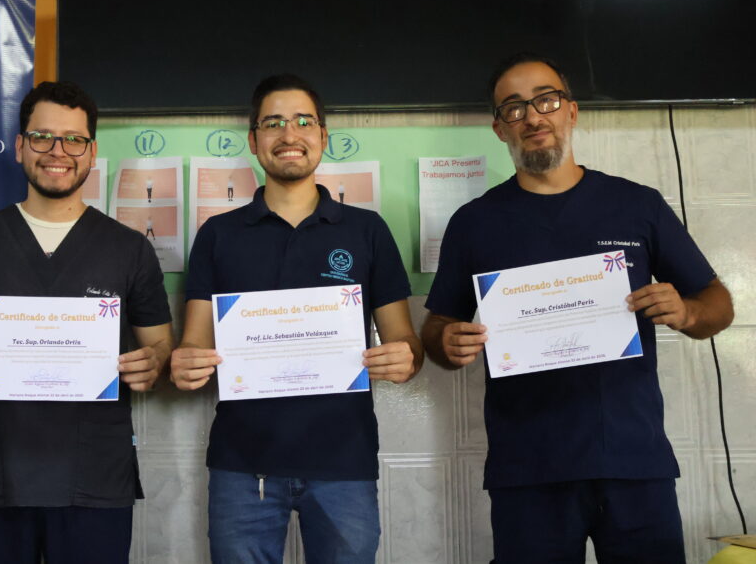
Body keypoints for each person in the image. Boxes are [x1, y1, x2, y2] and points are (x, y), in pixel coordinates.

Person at [421, 53, 734, 564]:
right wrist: (446, 341)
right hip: (527, 468)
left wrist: (687, 313)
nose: (532, 117)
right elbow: (437, 326)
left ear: (571, 110)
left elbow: (717, 301)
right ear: (500, 128)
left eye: (545, 100)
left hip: (633, 459)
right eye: (514, 108)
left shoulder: (637, 205)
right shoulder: (474, 222)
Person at [0, 81, 174, 564]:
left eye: (74, 139)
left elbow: (160, 345)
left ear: (91, 151)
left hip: (94, 478)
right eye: (43, 137)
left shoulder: (129, 248)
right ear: (20, 146)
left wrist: (153, 364)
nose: (58, 151)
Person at [171, 73, 424, 563]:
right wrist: (184, 365)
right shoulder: (218, 235)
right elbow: (193, 345)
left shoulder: (367, 230)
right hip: (242, 466)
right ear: (253, 140)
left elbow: (407, 343)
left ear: (323, 136)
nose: (289, 134)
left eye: (304, 121)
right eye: (273, 123)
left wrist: (404, 358)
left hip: (345, 462)